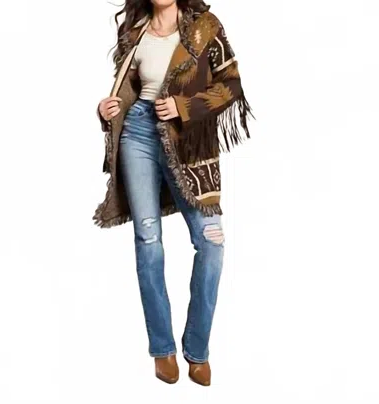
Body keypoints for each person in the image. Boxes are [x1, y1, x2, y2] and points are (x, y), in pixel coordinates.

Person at [95, 0, 253, 386]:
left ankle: (197, 350)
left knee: (211, 242)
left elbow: (232, 86)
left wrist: (184, 106)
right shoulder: (135, 32)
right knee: (148, 239)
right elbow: (128, 90)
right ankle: (162, 349)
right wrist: (105, 110)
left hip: (189, 143)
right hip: (137, 134)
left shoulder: (205, 27)